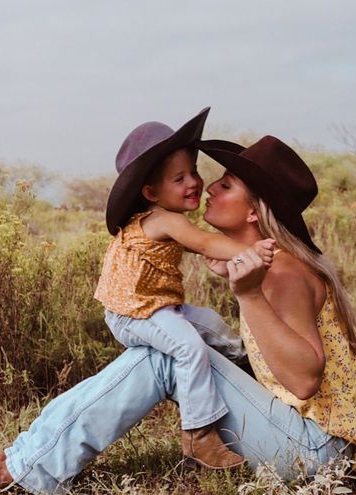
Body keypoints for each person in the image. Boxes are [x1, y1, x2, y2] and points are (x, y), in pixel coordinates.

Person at [0, 127, 356, 495]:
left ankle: (27, 467)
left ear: (254, 211)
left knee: (163, 354)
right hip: (305, 440)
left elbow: (305, 380)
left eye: (227, 184)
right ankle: (26, 457)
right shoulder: (272, 265)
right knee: (178, 336)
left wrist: (250, 296)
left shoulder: (285, 274)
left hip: (314, 454)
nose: (210, 188)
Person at [95, 107, 275, 470]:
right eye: (178, 179)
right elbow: (206, 243)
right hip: (134, 314)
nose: (193, 182)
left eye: (193, 172)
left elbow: (207, 251)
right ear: (151, 192)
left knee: (211, 325)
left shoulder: (157, 217)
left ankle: (248, 370)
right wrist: (251, 248)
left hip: (155, 307)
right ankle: (199, 435)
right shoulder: (163, 219)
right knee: (190, 347)